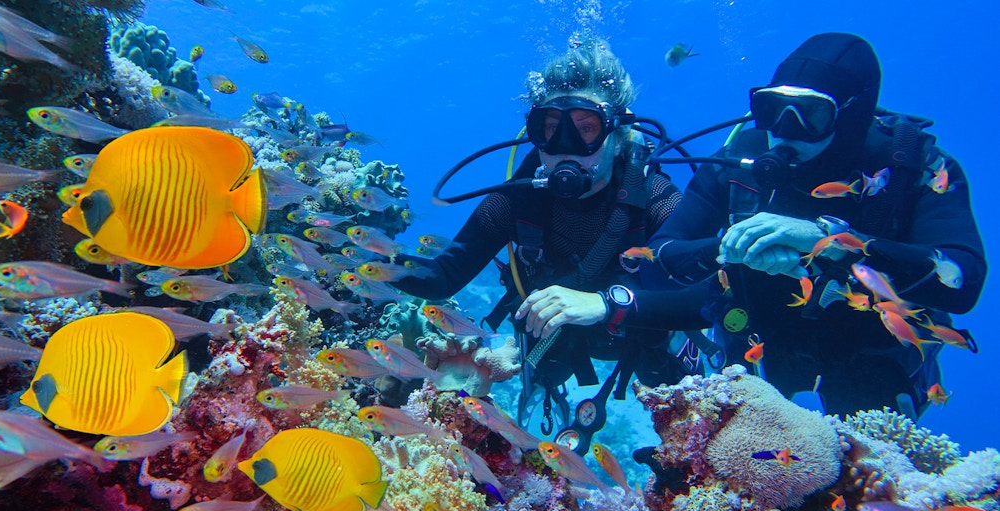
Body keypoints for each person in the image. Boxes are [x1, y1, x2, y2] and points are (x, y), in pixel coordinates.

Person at [645, 32, 986, 419]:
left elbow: (964, 279)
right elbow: (655, 262)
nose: (785, 129)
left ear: (852, 114)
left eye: (813, 113)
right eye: (773, 108)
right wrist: (730, 246)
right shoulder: (739, 163)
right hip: (756, 349)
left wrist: (836, 242)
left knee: (864, 472)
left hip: (869, 357)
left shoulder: (914, 169)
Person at [393, 38, 706, 453]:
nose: (565, 148)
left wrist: (610, 304)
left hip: (638, 329)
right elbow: (443, 275)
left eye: (586, 129)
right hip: (554, 337)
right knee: (543, 373)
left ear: (617, 133)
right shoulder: (518, 196)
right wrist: (368, 257)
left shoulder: (656, 197)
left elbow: (710, 291)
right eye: (550, 129)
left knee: (682, 400)